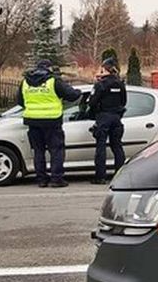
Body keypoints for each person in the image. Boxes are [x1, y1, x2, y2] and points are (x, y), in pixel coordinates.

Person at [14, 59, 82, 187]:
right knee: (56, 150)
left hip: (33, 121)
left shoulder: (25, 82)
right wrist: (78, 92)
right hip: (52, 121)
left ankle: (41, 179)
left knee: (38, 151)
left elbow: (20, 101)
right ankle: (56, 179)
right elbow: (72, 95)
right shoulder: (53, 81)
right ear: (49, 68)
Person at [89, 56, 128, 184]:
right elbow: (124, 101)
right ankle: (119, 176)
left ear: (105, 69)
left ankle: (100, 177)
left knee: (101, 147)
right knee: (117, 146)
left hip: (103, 118)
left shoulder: (101, 85)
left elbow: (92, 102)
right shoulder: (120, 84)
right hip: (116, 118)